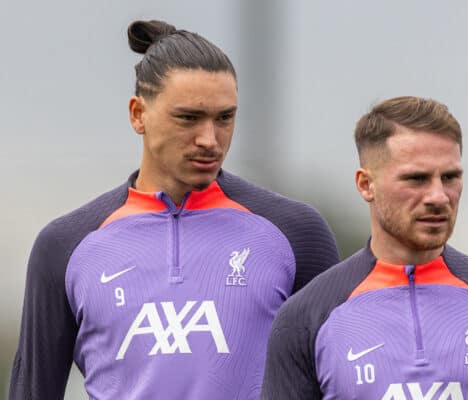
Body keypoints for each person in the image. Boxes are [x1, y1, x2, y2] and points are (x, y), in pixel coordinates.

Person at [10, 20, 339, 400]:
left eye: (224, 118)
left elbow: (337, 384)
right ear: (138, 114)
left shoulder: (296, 234)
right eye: (188, 118)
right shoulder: (65, 246)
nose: (209, 140)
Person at [261, 96, 468, 399]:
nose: (438, 196)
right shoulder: (305, 319)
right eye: (416, 178)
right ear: (366, 184)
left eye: (450, 177)